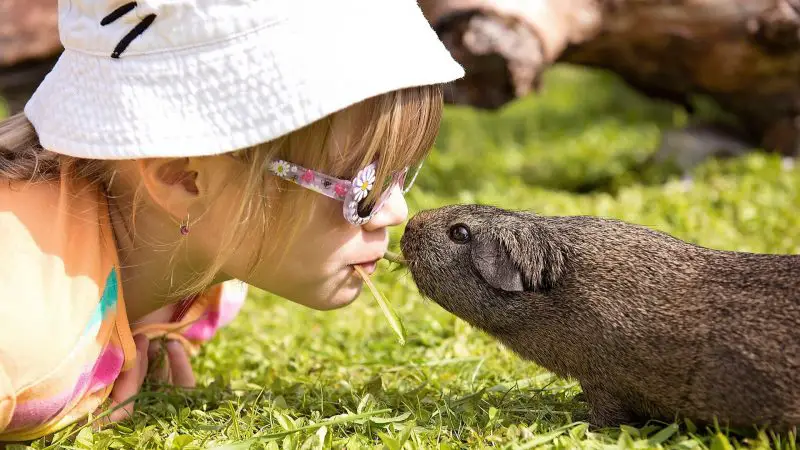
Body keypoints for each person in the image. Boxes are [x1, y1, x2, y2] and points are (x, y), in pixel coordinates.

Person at [0, 0, 463, 441]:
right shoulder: (25, 330)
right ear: (184, 178)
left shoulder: (206, 273)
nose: (396, 212)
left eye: (402, 172)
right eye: (363, 188)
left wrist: (136, 326)